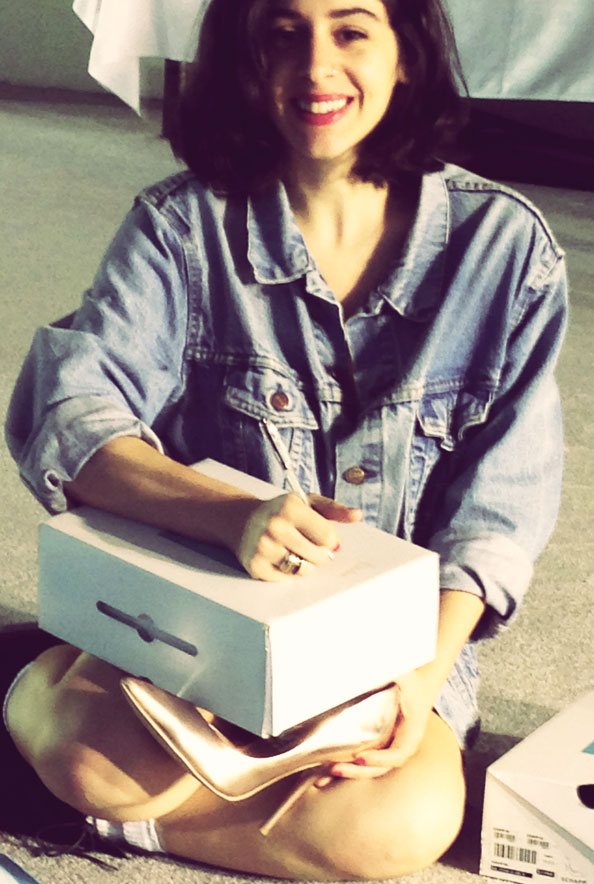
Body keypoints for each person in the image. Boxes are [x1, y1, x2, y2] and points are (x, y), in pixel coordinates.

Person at [3, 0, 567, 878]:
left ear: (406, 53)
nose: (316, 67)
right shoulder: (182, 227)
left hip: (395, 650)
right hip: (196, 627)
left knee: (405, 823)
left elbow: (498, 517)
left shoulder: (505, 248)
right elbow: (70, 416)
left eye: (351, 30)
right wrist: (231, 515)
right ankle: (61, 731)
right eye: (282, 34)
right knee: (98, 756)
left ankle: (96, 810)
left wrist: (418, 681)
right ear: (245, 57)